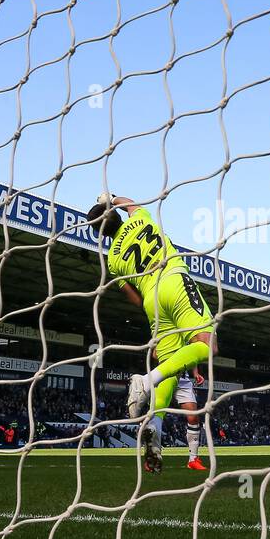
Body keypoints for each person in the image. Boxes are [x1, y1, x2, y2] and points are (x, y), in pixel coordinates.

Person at [87, 195, 215, 474]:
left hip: (151, 303)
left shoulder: (113, 260)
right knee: (207, 345)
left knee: (168, 379)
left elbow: (130, 295)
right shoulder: (141, 219)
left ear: (101, 233)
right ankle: (145, 381)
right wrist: (111, 198)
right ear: (117, 215)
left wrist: (150, 298)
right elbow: (130, 202)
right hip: (173, 278)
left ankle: (154, 440)